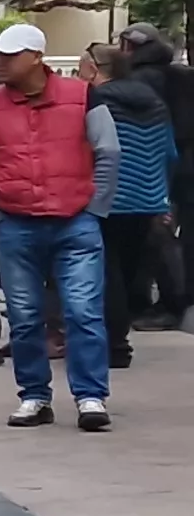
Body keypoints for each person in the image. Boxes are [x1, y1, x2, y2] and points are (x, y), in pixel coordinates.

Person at [0, 21, 119, 430]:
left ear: (36, 58)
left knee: (83, 310)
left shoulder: (83, 96)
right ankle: (35, 395)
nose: (0, 62)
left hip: (74, 220)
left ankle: (90, 396)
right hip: (17, 221)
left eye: (10, 55)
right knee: (24, 314)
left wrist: (94, 208)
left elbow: (108, 150)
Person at [97, 34, 178, 350]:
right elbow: (169, 152)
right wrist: (161, 193)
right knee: (130, 267)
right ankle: (120, 333)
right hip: (148, 198)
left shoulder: (98, 102)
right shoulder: (154, 102)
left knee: (107, 269)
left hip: (109, 197)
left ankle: (115, 342)